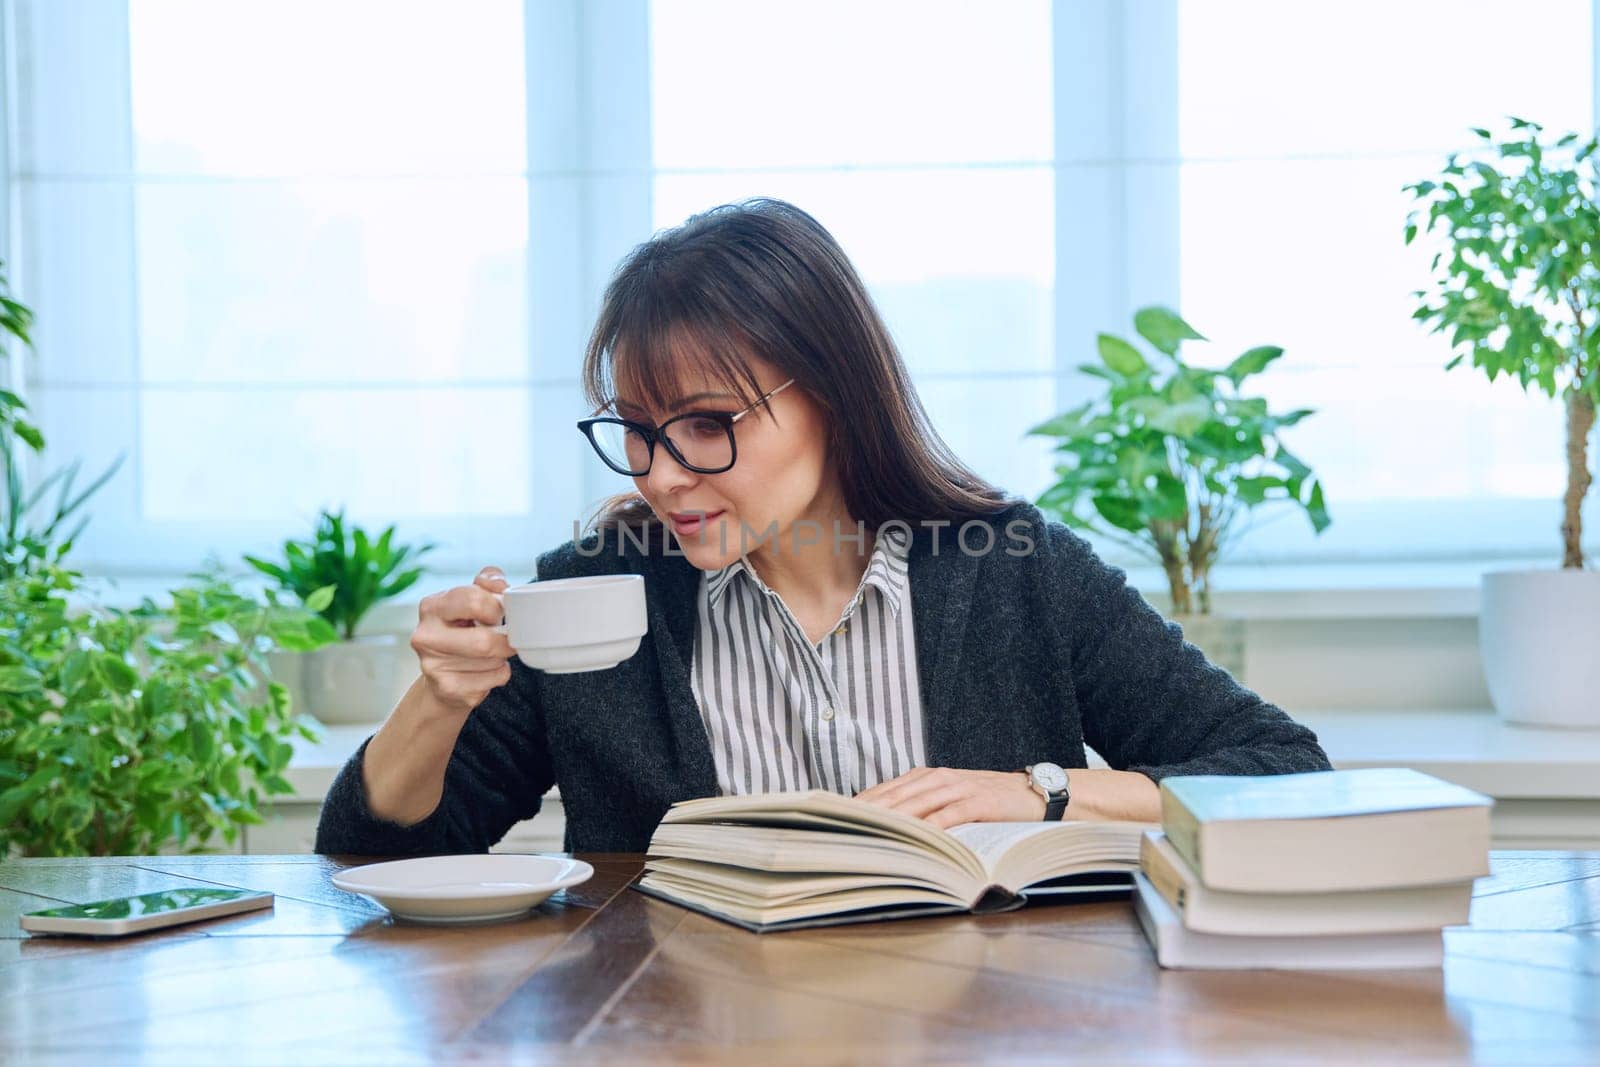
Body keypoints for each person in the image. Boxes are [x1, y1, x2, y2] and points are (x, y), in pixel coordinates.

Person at [315, 198, 1330, 857]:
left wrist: (1038, 792)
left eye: (708, 425)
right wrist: (438, 701)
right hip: (670, 1029)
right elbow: (376, 852)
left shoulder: (1014, 569)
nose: (662, 474)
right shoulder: (594, 591)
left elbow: (1278, 773)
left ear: (832, 397)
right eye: (635, 431)